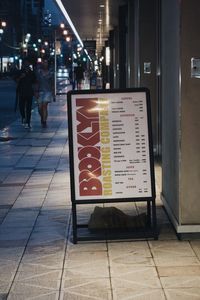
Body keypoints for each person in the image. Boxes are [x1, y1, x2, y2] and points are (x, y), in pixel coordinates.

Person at [15, 58, 36, 128]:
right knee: (21, 106)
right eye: (25, 64)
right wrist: (21, 77)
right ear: (23, 65)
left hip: (29, 92)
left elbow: (35, 82)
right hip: (21, 92)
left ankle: (28, 121)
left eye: (28, 64)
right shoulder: (20, 72)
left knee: (28, 108)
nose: (26, 65)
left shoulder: (32, 73)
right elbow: (16, 80)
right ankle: (23, 117)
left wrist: (35, 91)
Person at [35, 59, 54, 128]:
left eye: (46, 63)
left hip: (48, 91)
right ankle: (42, 117)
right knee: (39, 108)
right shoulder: (39, 72)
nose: (45, 64)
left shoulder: (51, 73)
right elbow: (36, 82)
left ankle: (44, 121)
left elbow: (52, 83)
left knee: (44, 105)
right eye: (44, 62)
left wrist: (53, 93)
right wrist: (36, 91)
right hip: (40, 91)